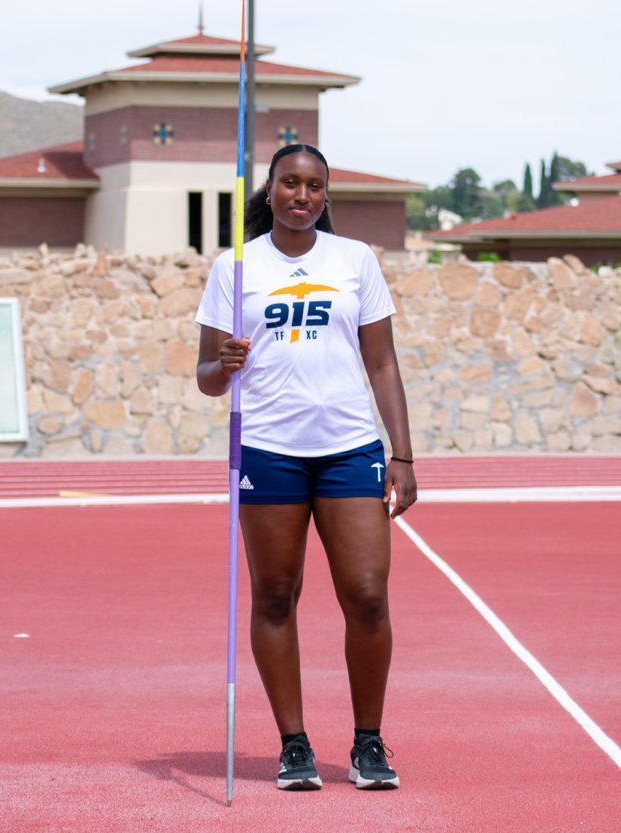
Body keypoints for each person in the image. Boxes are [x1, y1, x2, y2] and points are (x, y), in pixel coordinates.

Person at [195, 143, 417, 791]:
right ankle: (294, 744)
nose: (301, 195)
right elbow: (207, 378)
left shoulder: (354, 260)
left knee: (368, 595)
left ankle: (368, 742)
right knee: (275, 594)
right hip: (268, 450)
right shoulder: (234, 267)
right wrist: (224, 362)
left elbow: (382, 362)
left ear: (326, 195)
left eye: (314, 186)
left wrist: (401, 452)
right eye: (289, 183)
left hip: (349, 447)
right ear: (269, 190)